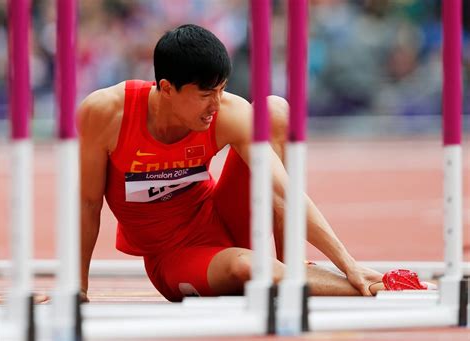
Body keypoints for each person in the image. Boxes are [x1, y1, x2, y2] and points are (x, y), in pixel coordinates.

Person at [78, 24, 390, 303]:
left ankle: (292, 265)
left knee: (273, 110)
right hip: (174, 257)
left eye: (221, 89)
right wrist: (77, 288)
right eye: (205, 94)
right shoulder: (106, 114)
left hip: (223, 220)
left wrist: (346, 263)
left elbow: (283, 192)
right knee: (247, 267)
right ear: (167, 88)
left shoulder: (226, 111)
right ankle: (378, 286)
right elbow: (88, 205)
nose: (216, 104)